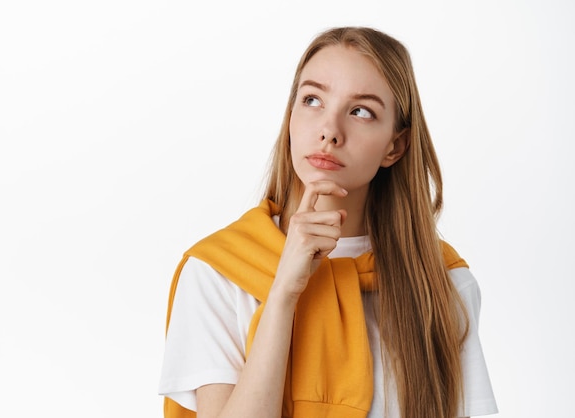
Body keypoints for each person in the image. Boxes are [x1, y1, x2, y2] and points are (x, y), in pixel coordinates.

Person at [159, 26, 498, 418]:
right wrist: (284, 289)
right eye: (312, 100)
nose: (329, 131)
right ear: (290, 118)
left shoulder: (443, 283)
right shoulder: (218, 272)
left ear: (395, 146)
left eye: (360, 111)